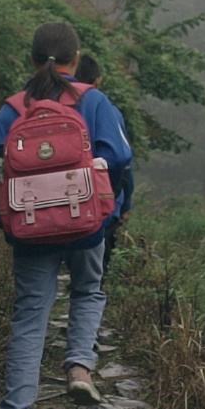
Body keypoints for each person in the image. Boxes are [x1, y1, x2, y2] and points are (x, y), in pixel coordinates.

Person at [0, 23, 133, 409]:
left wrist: (6, 223)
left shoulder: (13, 108)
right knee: (88, 291)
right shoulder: (95, 102)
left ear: (31, 59)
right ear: (78, 59)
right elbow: (119, 156)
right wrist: (105, 207)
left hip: (30, 228)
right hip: (86, 224)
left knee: (31, 318)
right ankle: (80, 368)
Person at [73, 54, 134, 286]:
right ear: (97, 81)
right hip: (97, 210)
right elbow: (122, 160)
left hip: (46, 209)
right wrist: (123, 201)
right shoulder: (103, 106)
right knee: (91, 284)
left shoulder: (38, 99)